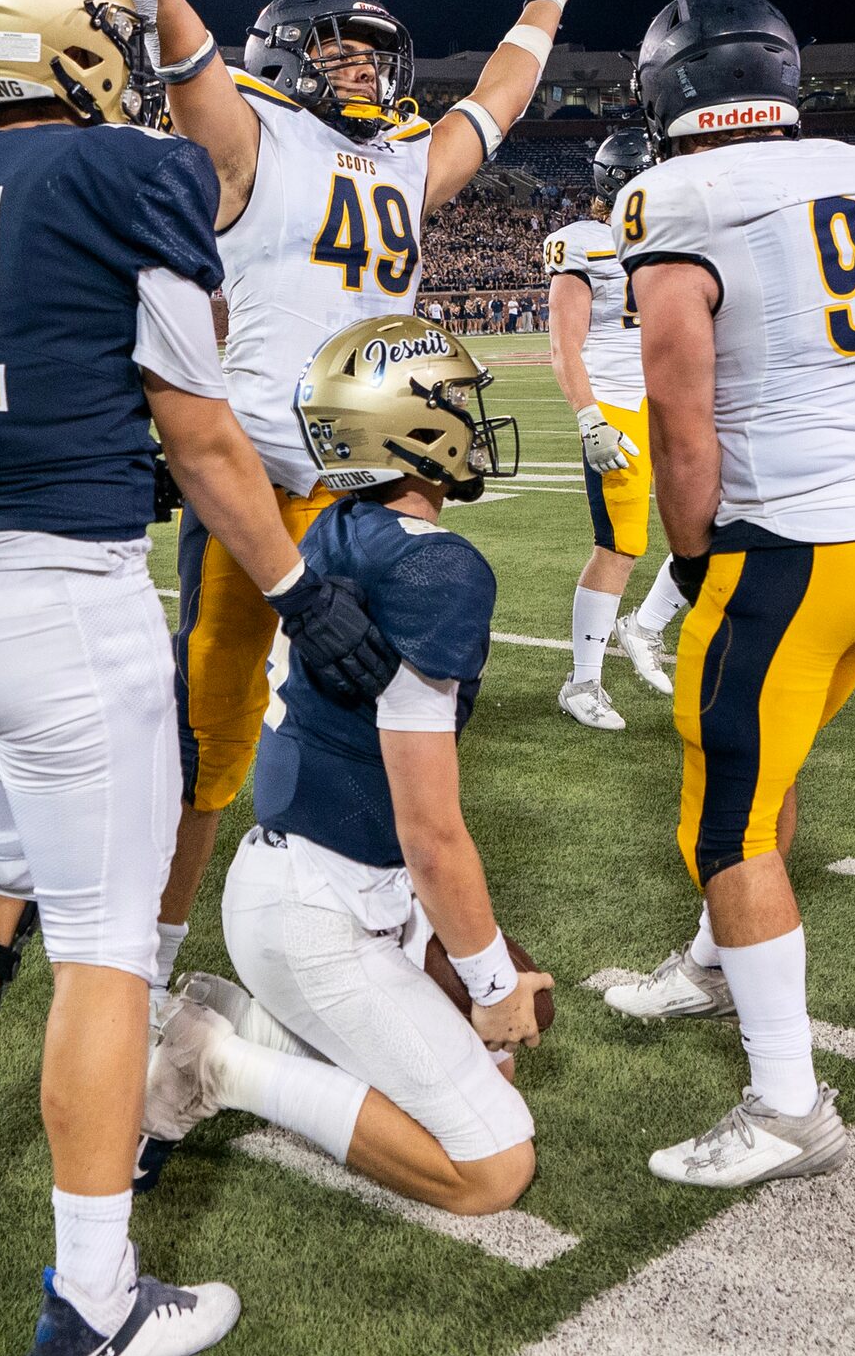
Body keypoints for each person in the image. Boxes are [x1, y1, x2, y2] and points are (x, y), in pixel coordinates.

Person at [0, 0, 397, 1356]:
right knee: (97, 944)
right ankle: (93, 1298)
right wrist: (289, 581)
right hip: (55, 608)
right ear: (75, 38)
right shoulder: (131, 171)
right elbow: (201, 425)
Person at [0, 0, 597, 997]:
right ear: (276, 61)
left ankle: (398, 933)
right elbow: (161, 4)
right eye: (334, 50)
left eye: (372, 49)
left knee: (402, 731)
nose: (360, 65)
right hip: (259, 483)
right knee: (206, 745)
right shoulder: (244, 133)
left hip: (375, 482)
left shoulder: (406, 160)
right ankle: (144, 975)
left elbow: (499, 97)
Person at [601, 0, 855, 1188]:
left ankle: (789, 1106)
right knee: (762, 771)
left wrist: (692, 562)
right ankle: (704, 966)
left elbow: (683, 422)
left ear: (666, 89)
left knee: (724, 820)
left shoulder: (672, 196)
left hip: (782, 544)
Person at [141, 318, 550, 1215]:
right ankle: (218, 1064)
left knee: (506, 1051)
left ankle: (246, 1022)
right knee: (491, 1168)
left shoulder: (333, 532)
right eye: (457, 406)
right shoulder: (436, 570)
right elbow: (430, 830)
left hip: (319, 879)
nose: (474, 427)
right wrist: (486, 984)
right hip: (320, 906)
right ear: (413, 426)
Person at [544, 127, 690, 731]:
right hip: (617, 404)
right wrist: (588, 417)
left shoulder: (670, 235)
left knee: (710, 522)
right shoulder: (581, 243)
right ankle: (582, 681)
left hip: (669, 400)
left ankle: (646, 625)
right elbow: (563, 344)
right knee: (622, 544)